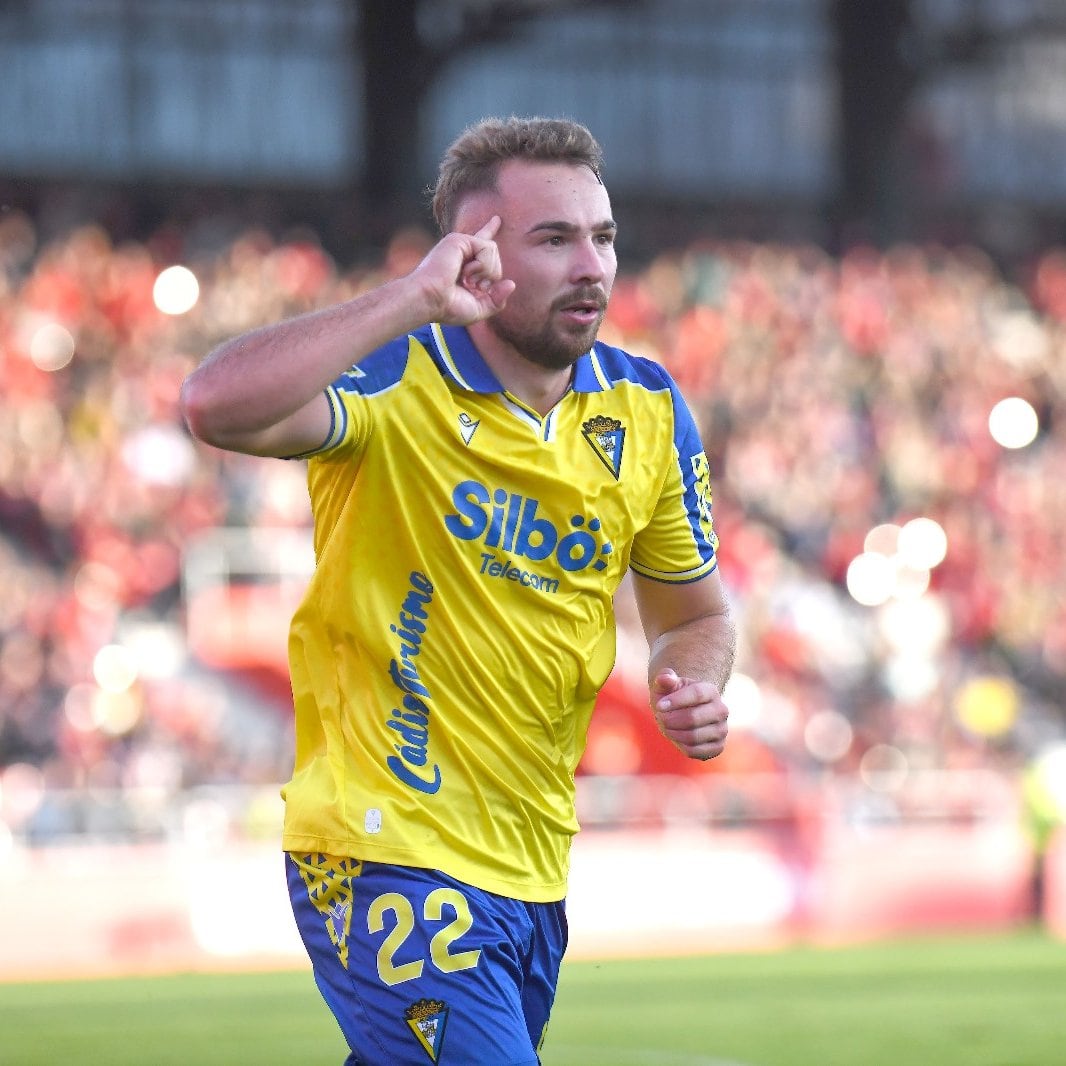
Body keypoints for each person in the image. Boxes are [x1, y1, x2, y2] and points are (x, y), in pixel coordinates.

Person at [180, 116, 735, 1066]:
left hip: (529, 864)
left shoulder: (646, 408)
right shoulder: (396, 376)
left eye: (602, 236)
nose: (592, 265)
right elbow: (213, 405)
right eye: (553, 239)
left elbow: (696, 613)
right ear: (473, 253)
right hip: (382, 844)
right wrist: (406, 300)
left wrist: (693, 680)